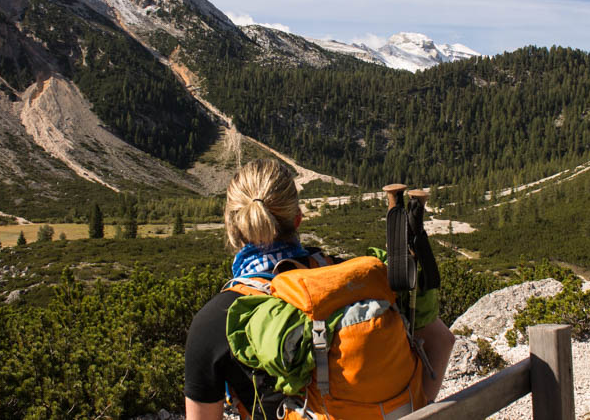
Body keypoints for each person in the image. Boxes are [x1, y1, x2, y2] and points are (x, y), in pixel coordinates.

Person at [184, 159, 455, 420]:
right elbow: (442, 341)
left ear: (233, 226)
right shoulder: (357, 280)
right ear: (298, 219)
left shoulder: (215, 321)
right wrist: (419, 407)